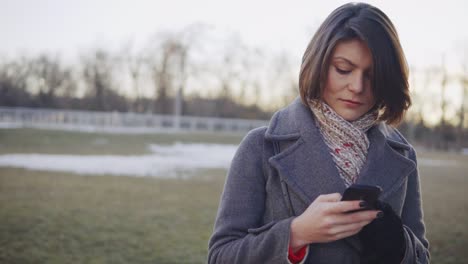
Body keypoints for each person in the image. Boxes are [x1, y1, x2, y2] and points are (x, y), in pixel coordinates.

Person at [208, 2, 430, 264]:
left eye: (372, 75)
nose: (357, 87)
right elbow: (221, 256)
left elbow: (422, 257)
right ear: (319, 65)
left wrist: (399, 247)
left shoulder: (402, 154)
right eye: (343, 69)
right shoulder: (260, 147)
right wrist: (296, 234)